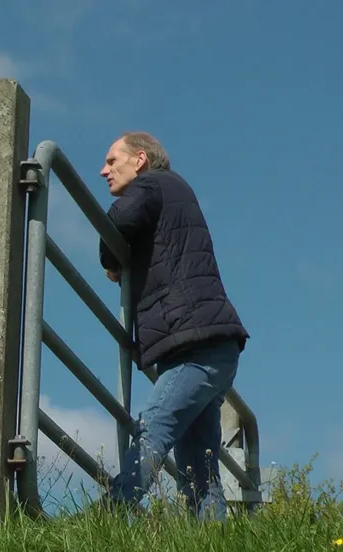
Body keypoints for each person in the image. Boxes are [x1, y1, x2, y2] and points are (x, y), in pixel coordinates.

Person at [97, 132, 249, 520]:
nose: (104, 170)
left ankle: (113, 515)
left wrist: (110, 259)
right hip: (212, 344)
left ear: (140, 159)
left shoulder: (153, 184)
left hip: (193, 346)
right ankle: (211, 540)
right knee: (200, 469)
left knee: (153, 428)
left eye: (113, 161)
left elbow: (120, 218)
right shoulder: (173, 190)